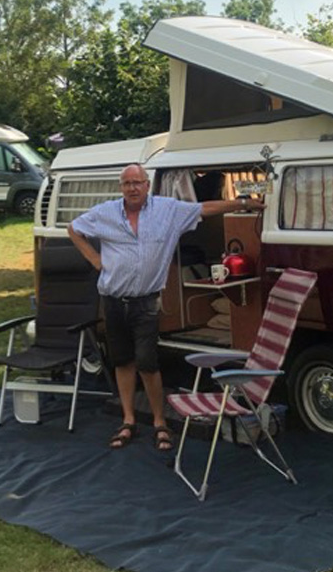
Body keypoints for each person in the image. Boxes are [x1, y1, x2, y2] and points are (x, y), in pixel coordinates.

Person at [67, 163, 265, 451]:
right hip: (112, 300)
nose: (133, 188)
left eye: (138, 182)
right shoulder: (105, 213)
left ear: (148, 185)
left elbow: (204, 208)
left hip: (145, 302)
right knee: (122, 361)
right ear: (120, 187)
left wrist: (245, 203)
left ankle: (160, 422)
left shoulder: (167, 210)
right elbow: (74, 229)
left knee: (148, 362)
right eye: (127, 183)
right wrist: (95, 261)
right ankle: (128, 419)